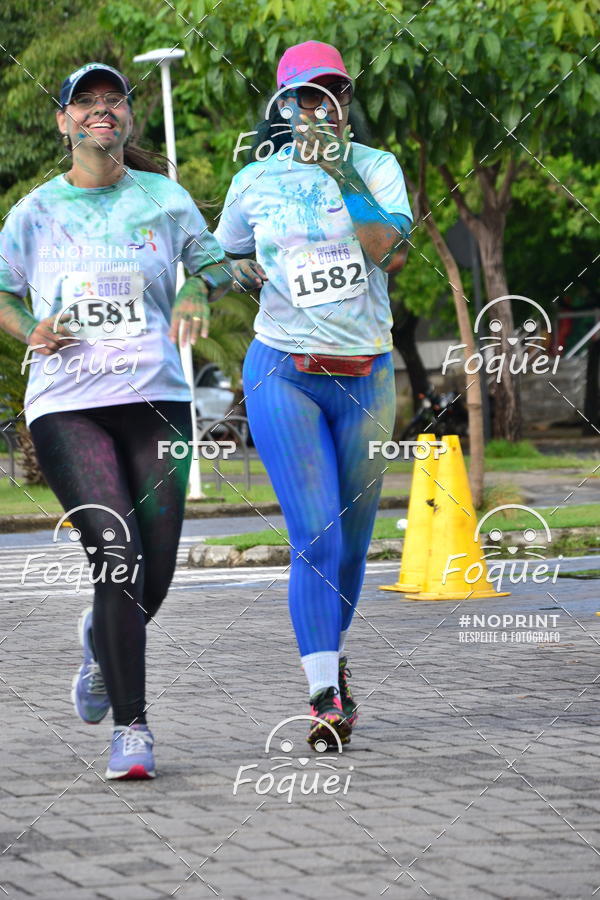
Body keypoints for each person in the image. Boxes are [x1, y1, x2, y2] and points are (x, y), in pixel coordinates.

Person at [0, 62, 231, 779]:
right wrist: (30, 330)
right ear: (65, 122)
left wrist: (196, 291)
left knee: (154, 571)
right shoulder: (34, 212)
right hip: (68, 403)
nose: (103, 110)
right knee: (116, 551)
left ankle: (101, 642)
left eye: (114, 100)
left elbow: (217, 263)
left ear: (128, 117)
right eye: (86, 103)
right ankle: (132, 730)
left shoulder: (164, 199)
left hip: (156, 399)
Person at [215, 41, 412, 748]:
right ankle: (323, 695)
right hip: (283, 371)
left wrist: (340, 178)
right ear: (285, 106)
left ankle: (334, 653)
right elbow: (228, 254)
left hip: (366, 377)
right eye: (307, 96)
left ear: (348, 102)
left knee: (354, 549)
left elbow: (391, 251)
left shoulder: (378, 168)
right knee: (316, 535)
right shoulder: (254, 180)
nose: (322, 108)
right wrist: (243, 278)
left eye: (334, 94)